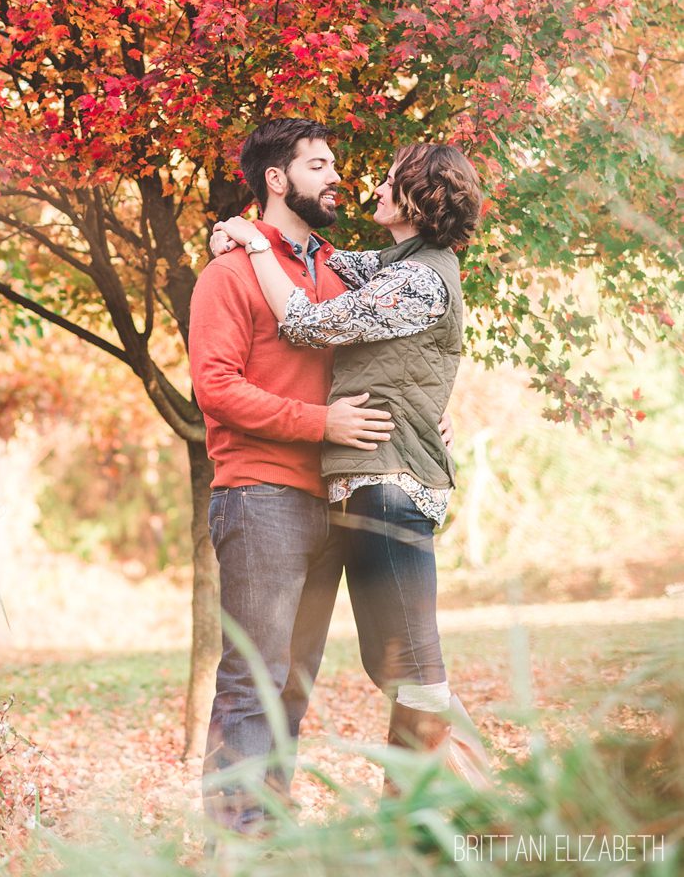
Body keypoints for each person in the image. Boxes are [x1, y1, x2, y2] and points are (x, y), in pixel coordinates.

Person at [214, 140, 491, 792]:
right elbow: (321, 262)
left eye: (390, 183)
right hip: (368, 487)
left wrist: (253, 249)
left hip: (389, 487)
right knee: (393, 665)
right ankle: (431, 817)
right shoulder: (399, 263)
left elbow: (308, 323)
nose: (372, 189)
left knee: (414, 671)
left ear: (419, 202)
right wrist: (245, 229)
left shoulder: (421, 276)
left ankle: (459, 814)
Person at [189, 118, 396, 835]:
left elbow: (390, 354)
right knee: (255, 681)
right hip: (259, 498)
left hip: (334, 498)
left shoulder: (344, 272)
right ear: (276, 180)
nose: (335, 175)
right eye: (317, 165)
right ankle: (236, 842)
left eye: (334, 163)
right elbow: (215, 388)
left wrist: (427, 416)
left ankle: (271, 832)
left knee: (295, 683)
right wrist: (321, 424)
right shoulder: (230, 272)